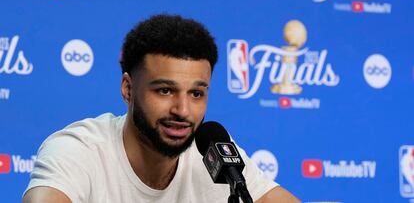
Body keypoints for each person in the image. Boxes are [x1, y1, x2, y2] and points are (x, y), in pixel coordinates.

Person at [23, 14, 300, 202]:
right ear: (128, 89)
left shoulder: (216, 156)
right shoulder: (79, 150)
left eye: (196, 93)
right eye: (165, 90)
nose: (183, 110)